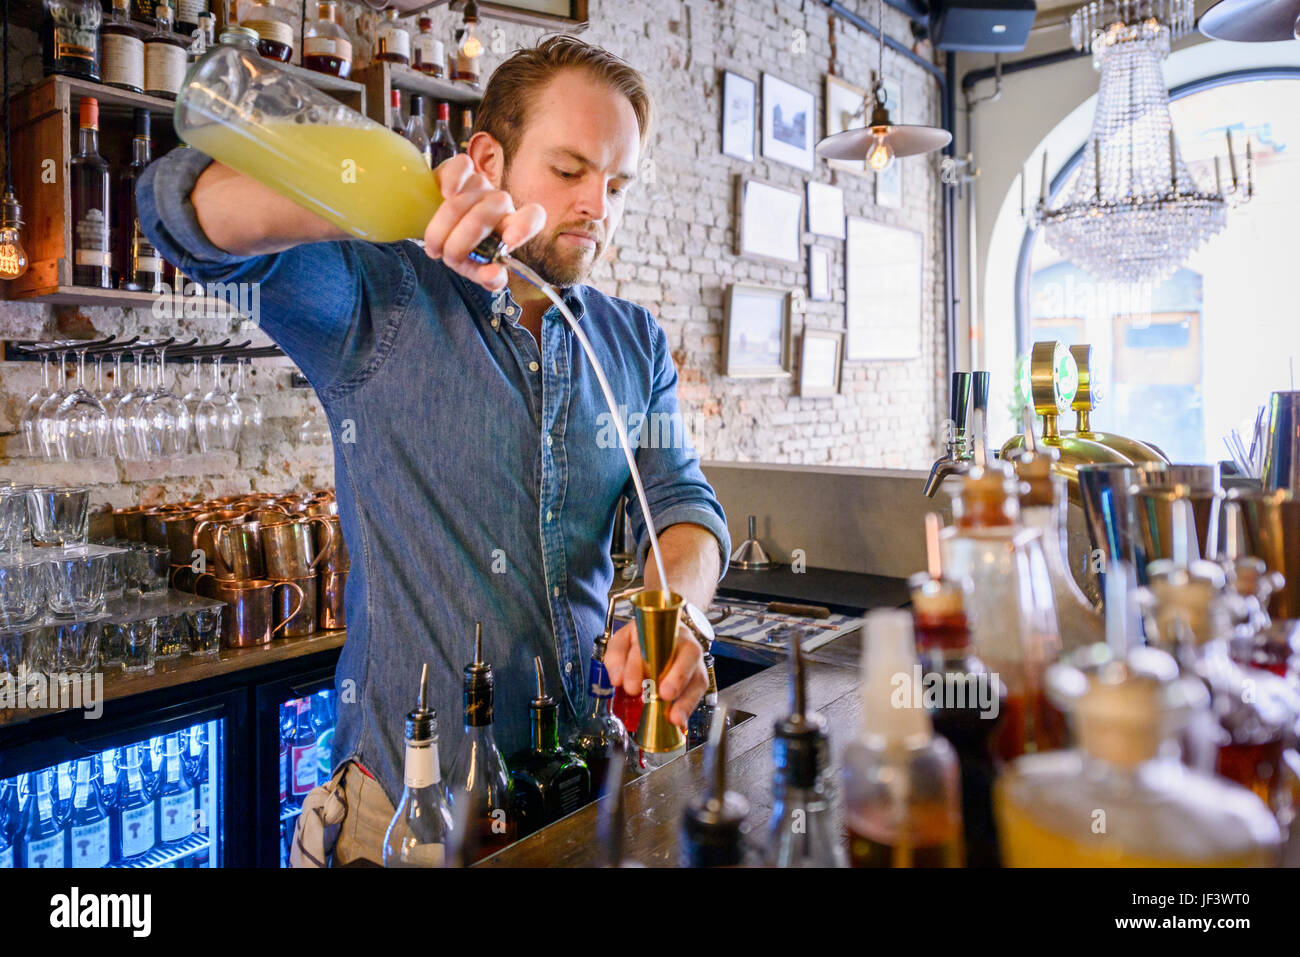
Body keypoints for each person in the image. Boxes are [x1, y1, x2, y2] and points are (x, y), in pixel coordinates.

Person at [137, 35, 730, 865]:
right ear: (488, 158)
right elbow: (177, 217)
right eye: (569, 171)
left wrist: (682, 611)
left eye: (618, 183)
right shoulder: (380, 297)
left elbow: (684, 504)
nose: (599, 205)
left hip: (584, 792)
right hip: (411, 817)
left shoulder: (630, 342)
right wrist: (379, 199)